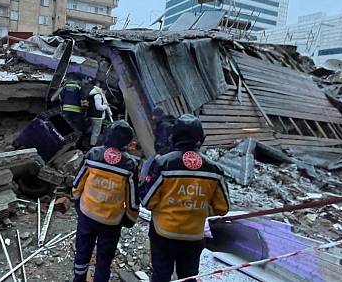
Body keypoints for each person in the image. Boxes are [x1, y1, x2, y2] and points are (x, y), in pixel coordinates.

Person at [140, 114, 230, 282]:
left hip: (163, 234)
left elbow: (147, 201)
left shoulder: (163, 163)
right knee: (188, 278)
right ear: (201, 139)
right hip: (193, 237)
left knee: (160, 276)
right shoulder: (215, 170)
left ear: (172, 137)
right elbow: (223, 208)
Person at [72, 121, 139, 282]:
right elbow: (132, 198)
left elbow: (77, 184)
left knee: (82, 251)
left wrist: (78, 203)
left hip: (87, 214)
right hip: (111, 221)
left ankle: (78, 279)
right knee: (104, 257)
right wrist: (130, 218)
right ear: (127, 141)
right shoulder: (130, 164)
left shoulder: (93, 154)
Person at [86, 81, 113, 146]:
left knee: (91, 129)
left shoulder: (93, 93)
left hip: (91, 115)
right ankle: (92, 145)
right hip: (97, 117)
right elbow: (98, 107)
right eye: (105, 91)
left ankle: (86, 141)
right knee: (96, 132)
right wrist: (106, 106)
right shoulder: (98, 95)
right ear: (104, 90)